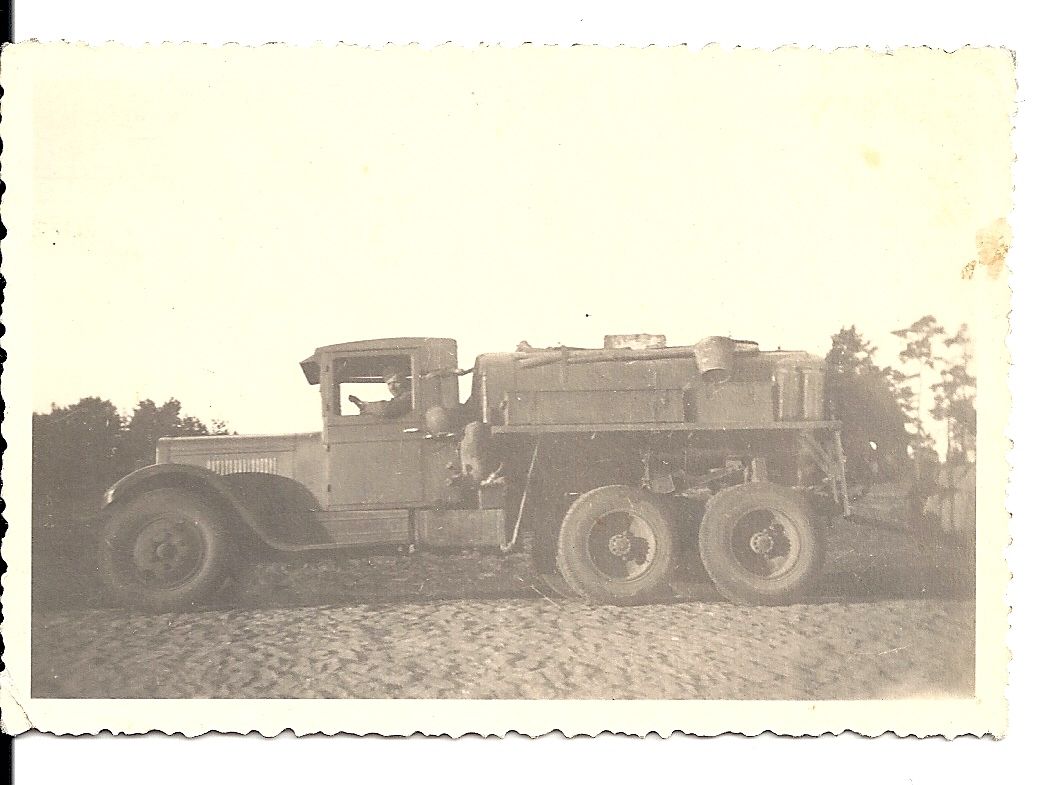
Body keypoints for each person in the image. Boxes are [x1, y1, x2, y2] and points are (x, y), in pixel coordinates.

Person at [346, 368, 412, 418]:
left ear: (405, 382)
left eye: (396, 382)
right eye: (389, 384)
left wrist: (365, 406)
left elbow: (388, 409)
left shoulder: (411, 396)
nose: (392, 387)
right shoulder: (401, 398)